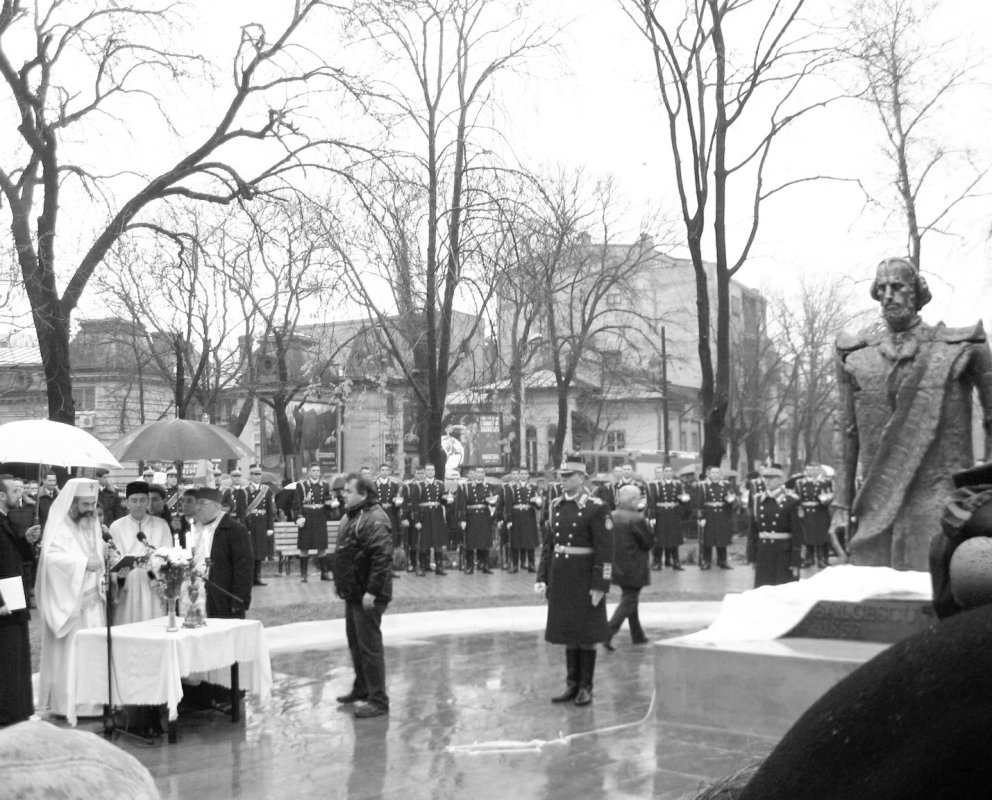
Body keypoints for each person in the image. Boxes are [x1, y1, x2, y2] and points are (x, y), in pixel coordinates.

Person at [832, 256, 992, 571]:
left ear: (916, 292)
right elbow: (846, 432)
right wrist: (840, 506)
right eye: (881, 288)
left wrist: (985, 497)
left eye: (897, 286)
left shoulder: (962, 347)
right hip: (876, 511)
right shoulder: (855, 356)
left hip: (942, 506)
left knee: (936, 591)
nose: (888, 295)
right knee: (872, 595)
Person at [535, 458, 613, 707]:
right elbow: (549, 545)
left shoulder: (596, 507)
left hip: (585, 577)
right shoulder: (556, 505)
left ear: (582, 478)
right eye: (562, 475)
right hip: (562, 577)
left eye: (569, 476)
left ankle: (585, 687)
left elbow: (605, 550)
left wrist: (601, 584)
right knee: (568, 630)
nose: (563, 480)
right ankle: (572, 684)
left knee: (586, 633)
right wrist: (542, 577)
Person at [36, 478, 107, 718]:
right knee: (72, 654)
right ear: (73, 503)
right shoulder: (60, 526)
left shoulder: (93, 524)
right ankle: (70, 704)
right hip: (71, 605)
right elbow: (51, 560)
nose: (90, 509)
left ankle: (95, 703)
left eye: (93, 504)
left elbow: (97, 553)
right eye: (85, 504)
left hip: (94, 602)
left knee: (93, 652)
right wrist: (84, 564)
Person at [332, 473, 394, 719]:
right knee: (356, 643)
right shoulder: (352, 515)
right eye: (343, 491)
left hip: (368, 594)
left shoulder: (375, 518)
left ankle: (378, 700)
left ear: (364, 494)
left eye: (349, 491)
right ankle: (362, 688)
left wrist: (372, 591)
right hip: (354, 591)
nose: (343, 495)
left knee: (369, 647)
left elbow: (382, 557)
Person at [0, 475, 38, 726]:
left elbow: (17, 555)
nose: (20, 495)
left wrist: (27, 539)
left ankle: (18, 709)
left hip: (15, 595)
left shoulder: (8, 520)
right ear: (2, 495)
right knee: (7, 658)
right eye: (15, 491)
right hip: (4, 600)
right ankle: (7, 712)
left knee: (17, 655)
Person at [108, 481, 173, 626]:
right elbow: (113, 557)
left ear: (148, 502)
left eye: (143, 500)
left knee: (154, 627)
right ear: (127, 503)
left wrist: (154, 564)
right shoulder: (116, 527)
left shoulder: (161, 525)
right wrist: (119, 575)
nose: (138, 505)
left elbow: (168, 554)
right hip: (127, 587)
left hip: (153, 586)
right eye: (134, 500)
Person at [189, 488, 253, 619]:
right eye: (196, 503)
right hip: (195, 595)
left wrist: (239, 600)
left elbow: (244, 568)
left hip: (223, 597)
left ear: (216, 505)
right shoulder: (194, 529)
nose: (197, 507)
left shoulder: (234, 530)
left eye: (202, 503)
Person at [604, 484, 654, 651]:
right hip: (634, 565)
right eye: (638, 497)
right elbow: (647, 542)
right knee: (629, 600)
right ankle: (608, 632)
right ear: (632, 500)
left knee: (631, 599)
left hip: (618, 564)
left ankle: (637, 634)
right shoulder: (637, 518)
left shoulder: (611, 515)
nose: (640, 501)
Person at [751, 465, 806, 588]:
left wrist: (796, 560)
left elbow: (798, 532)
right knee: (763, 588)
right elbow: (753, 529)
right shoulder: (758, 499)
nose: (767, 481)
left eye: (772, 478)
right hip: (763, 551)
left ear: (781, 480)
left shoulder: (791, 501)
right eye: (766, 478)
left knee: (783, 588)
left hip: (783, 553)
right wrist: (752, 555)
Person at [291, 463, 336, 582]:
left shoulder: (324, 485)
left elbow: (327, 501)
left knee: (322, 546)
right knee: (304, 546)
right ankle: (303, 574)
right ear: (309, 472)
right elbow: (296, 503)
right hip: (307, 517)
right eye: (314, 470)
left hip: (320, 517)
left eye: (318, 470)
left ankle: (324, 573)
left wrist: (332, 504)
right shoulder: (302, 485)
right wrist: (299, 517)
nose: (316, 473)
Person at [646, 464, 690, 570]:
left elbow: (680, 498)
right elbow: (652, 501)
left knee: (674, 538)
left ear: (673, 472)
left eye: (670, 471)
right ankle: (657, 562)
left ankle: (676, 561)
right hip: (661, 514)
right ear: (663, 473)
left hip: (673, 514)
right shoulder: (656, 485)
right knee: (659, 539)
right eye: (666, 471)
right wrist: (652, 516)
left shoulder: (677, 484)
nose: (668, 473)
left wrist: (683, 499)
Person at [499, 467, 542, 573]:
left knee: (530, 541)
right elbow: (508, 505)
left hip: (529, 516)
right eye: (521, 474)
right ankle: (515, 565)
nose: (523, 476)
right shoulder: (512, 488)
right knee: (515, 542)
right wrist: (508, 519)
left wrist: (538, 502)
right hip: (516, 516)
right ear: (518, 475)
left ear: (528, 475)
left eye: (525, 474)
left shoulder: (533, 487)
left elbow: (538, 505)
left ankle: (531, 564)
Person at [408, 463, 449, 576]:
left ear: (435, 471)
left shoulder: (440, 484)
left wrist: (448, 500)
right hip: (424, 517)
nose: (430, 472)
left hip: (437, 516)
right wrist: (416, 520)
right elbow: (414, 505)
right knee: (424, 542)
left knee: (437, 542)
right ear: (425, 472)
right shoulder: (419, 486)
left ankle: (439, 567)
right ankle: (422, 567)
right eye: (428, 470)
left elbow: (443, 501)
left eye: (432, 470)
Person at [695, 465, 737, 570]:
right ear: (709, 474)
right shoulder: (703, 485)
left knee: (721, 539)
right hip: (709, 515)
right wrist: (701, 517)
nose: (715, 475)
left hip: (722, 514)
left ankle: (723, 561)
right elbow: (699, 503)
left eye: (717, 472)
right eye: (713, 473)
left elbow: (731, 497)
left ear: (720, 474)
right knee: (707, 539)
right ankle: (706, 561)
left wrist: (730, 500)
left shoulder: (725, 485)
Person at [795, 463, 833, 568]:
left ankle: (821, 558)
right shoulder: (799, 483)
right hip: (805, 512)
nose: (810, 472)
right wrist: (799, 508)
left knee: (820, 535)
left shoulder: (823, 483)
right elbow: (796, 497)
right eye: (808, 470)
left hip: (819, 511)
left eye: (813, 470)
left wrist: (826, 499)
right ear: (805, 471)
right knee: (806, 536)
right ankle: (808, 558)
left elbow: (829, 495)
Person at [244, 465, 275, 587]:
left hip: (262, 522)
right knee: (251, 551)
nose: (258, 476)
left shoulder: (266, 490)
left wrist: (270, 527)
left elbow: (270, 510)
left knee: (260, 551)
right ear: (251, 475)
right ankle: (250, 578)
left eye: (259, 474)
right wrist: (245, 527)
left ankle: (258, 577)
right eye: (255, 474)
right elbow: (243, 511)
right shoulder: (245, 491)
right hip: (251, 523)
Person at [462, 466, 496, 574]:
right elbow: (462, 504)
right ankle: (470, 566)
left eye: (482, 472)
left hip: (484, 517)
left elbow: (494, 502)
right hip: (471, 517)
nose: (480, 474)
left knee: (484, 542)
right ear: (475, 473)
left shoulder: (489, 486)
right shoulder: (467, 487)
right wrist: (462, 519)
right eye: (478, 472)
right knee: (470, 543)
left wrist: (493, 502)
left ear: (484, 474)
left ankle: (485, 565)